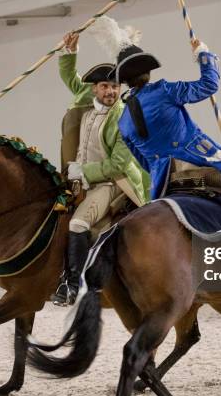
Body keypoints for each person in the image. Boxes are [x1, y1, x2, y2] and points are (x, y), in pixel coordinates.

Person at [89, 16, 221, 241]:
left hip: (163, 182)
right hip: (198, 161)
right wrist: (203, 55)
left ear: (125, 81)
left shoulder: (123, 121)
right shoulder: (165, 90)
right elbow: (209, 85)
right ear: (148, 71)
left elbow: (144, 162)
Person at [53, 31, 149, 305]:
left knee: (78, 221)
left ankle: (74, 286)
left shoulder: (123, 115)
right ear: (94, 89)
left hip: (113, 182)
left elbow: (119, 163)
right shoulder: (87, 100)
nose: (111, 92)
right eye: (105, 87)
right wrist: (69, 53)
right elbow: (71, 79)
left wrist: (84, 173)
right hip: (82, 181)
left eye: (115, 87)